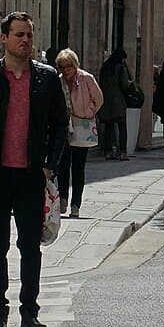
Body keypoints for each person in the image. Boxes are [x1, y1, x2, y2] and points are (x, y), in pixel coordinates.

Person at [0, 11, 67, 327]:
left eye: (29, 35)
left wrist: (51, 163)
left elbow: (60, 124)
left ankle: (30, 312)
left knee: (30, 246)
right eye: (19, 35)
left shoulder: (46, 77)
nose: (25, 41)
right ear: (4, 39)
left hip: (30, 174)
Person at [54, 50, 103, 218]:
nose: (65, 70)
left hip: (81, 125)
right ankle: (63, 199)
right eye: (61, 66)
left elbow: (99, 99)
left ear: (75, 65)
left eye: (68, 66)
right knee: (62, 165)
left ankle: (76, 204)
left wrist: (88, 113)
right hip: (64, 127)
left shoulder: (86, 78)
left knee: (78, 167)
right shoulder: (58, 81)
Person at [97, 46, 133, 159]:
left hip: (106, 101)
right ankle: (123, 152)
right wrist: (131, 84)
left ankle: (108, 151)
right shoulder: (120, 68)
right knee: (122, 127)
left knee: (108, 126)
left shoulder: (105, 68)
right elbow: (124, 84)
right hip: (118, 101)